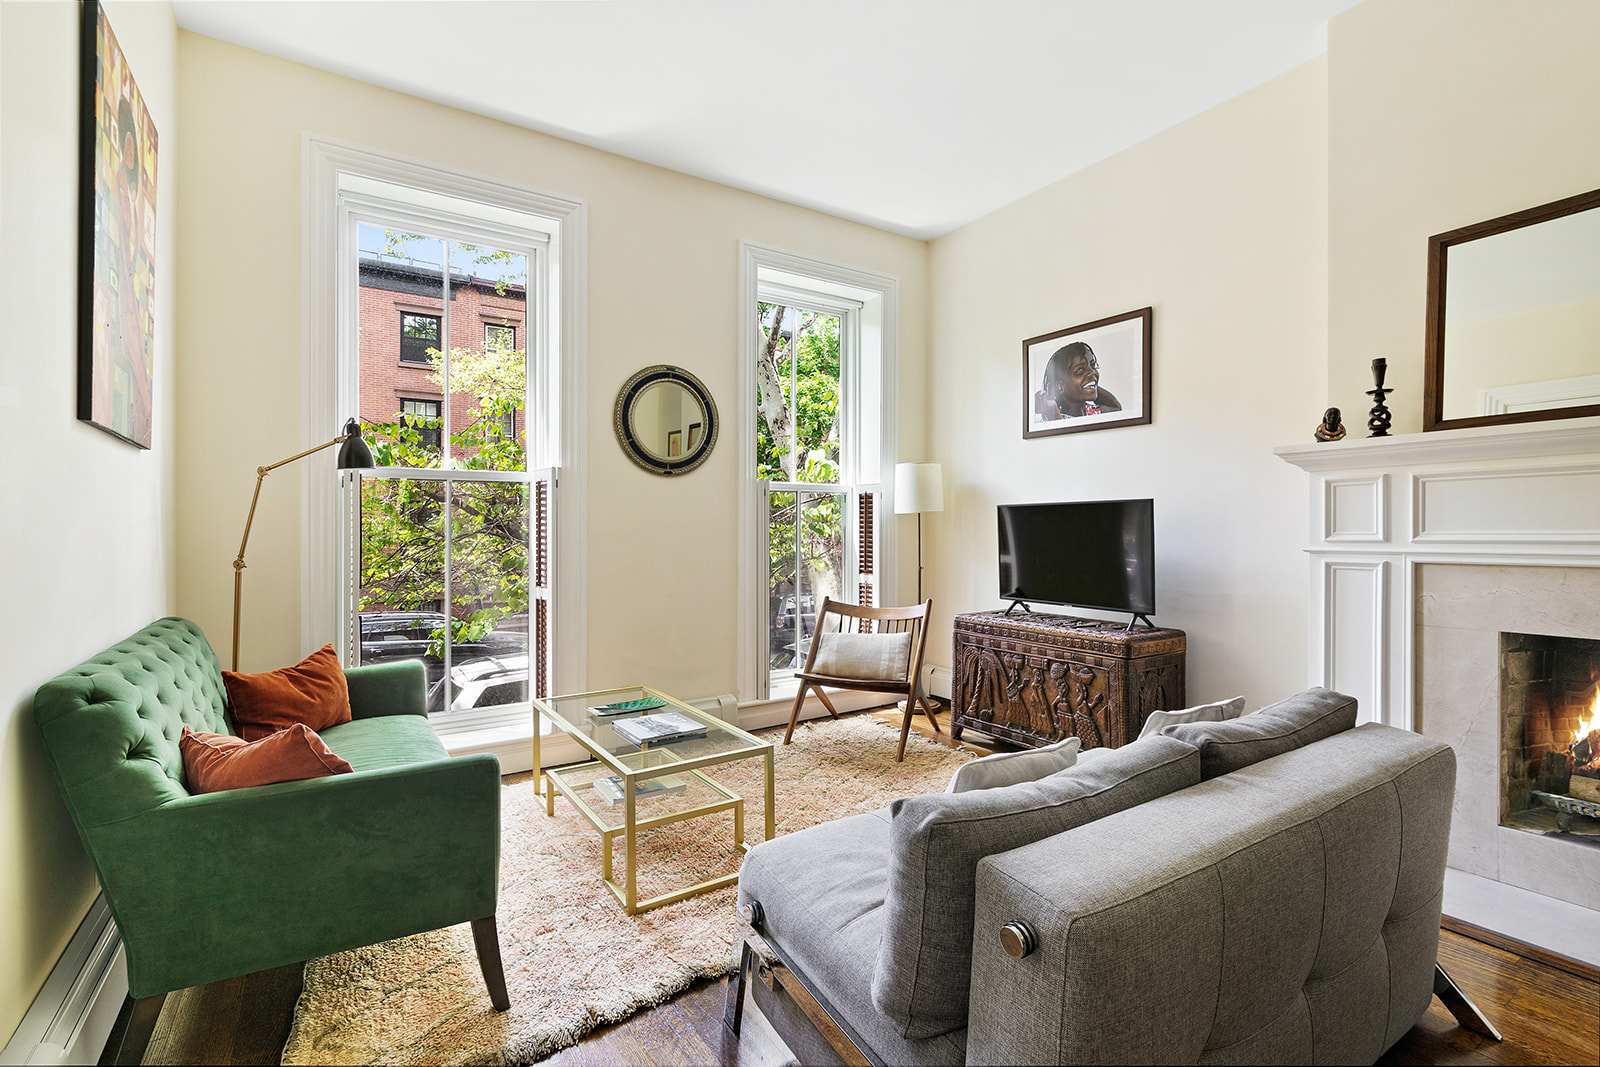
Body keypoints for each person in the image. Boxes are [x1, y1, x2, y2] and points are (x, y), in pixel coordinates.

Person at [1034, 341, 1122, 420]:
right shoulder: (1059, 417)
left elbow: (1116, 408)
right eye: (1080, 370)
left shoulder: (1092, 411)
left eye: (1092, 365)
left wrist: (1089, 383)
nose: (1091, 372)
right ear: (1060, 386)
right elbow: (1064, 434)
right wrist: (1051, 410)